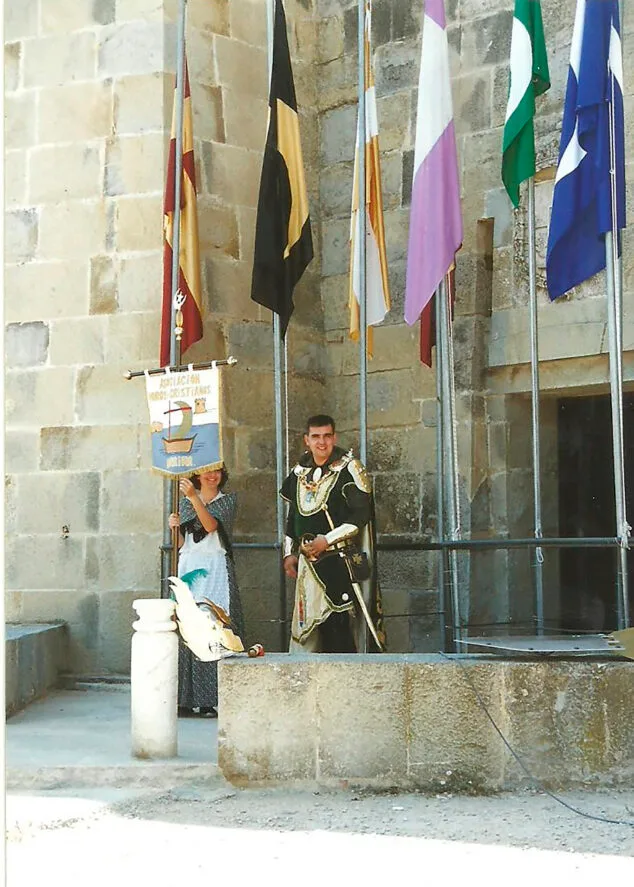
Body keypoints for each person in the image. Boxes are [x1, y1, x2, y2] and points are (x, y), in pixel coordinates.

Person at [281, 414, 385, 653]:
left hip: (338, 562)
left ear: (334, 437)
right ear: (306, 440)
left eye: (327, 436)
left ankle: (345, 687)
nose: (322, 442)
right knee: (309, 631)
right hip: (308, 567)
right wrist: (289, 553)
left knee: (338, 629)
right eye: (315, 437)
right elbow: (293, 516)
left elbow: (361, 516)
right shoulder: (299, 473)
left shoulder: (350, 469)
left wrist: (326, 540)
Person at [168, 465, 244, 717]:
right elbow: (182, 542)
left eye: (217, 472)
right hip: (190, 564)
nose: (212, 476)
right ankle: (185, 698)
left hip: (215, 566)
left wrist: (192, 497)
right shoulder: (186, 501)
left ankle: (210, 698)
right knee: (186, 626)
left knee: (214, 626)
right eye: (207, 471)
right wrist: (175, 527)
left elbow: (210, 526)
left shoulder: (227, 501)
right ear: (197, 475)